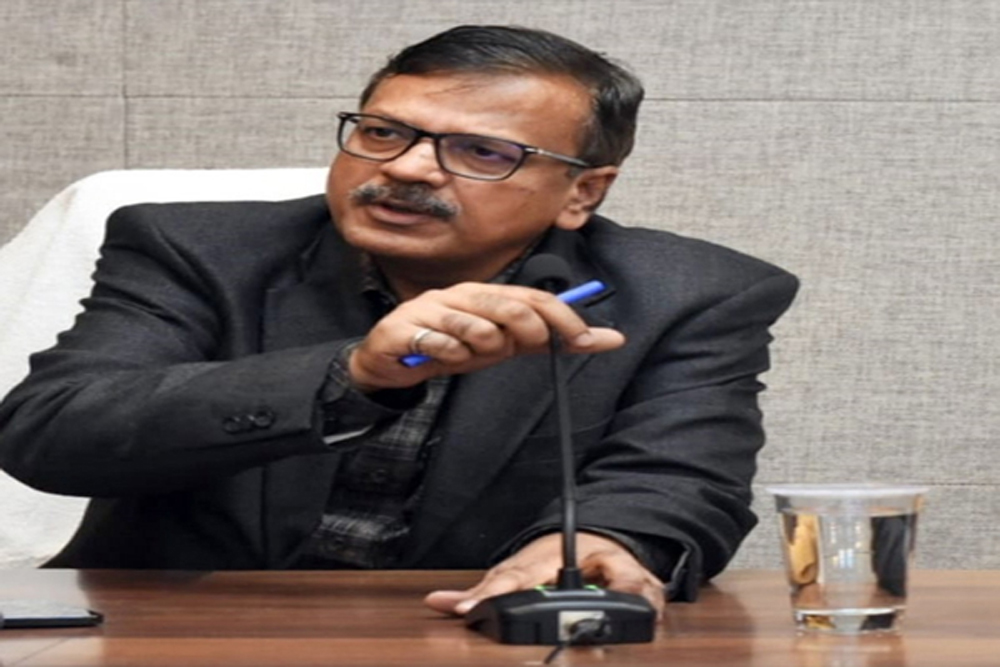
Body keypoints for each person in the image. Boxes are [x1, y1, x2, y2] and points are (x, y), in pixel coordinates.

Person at [0, 25, 797, 616]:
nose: (408, 168)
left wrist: (603, 542)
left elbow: (679, 478)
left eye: (483, 152)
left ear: (583, 192)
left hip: (466, 629)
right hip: (181, 627)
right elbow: (52, 431)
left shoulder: (692, 293)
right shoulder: (197, 248)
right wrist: (352, 375)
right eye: (383, 132)